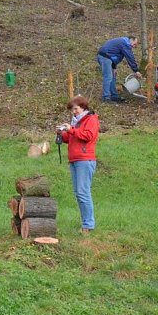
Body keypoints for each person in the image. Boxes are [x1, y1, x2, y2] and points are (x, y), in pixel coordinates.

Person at [57, 95, 99, 234]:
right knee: (78, 193)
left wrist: (71, 129)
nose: (73, 112)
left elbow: (88, 136)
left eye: (76, 109)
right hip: (75, 160)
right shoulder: (76, 122)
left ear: (83, 107)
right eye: (72, 110)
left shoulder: (91, 119)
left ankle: (88, 225)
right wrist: (62, 134)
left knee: (83, 192)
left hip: (85, 160)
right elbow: (71, 138)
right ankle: (86, 223)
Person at [96, 36, 142, 102]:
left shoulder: (123, 43)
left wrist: (114, 67)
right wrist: (136, 70)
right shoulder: (125, 44)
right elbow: (130, 58)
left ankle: (114, 96)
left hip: (108, 57)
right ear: (131, 40)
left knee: (113, 77)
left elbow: (114, 54)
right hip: (105, 57)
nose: (133, 46)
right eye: (134, 44)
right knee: (108, 77)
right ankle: (106, 97)